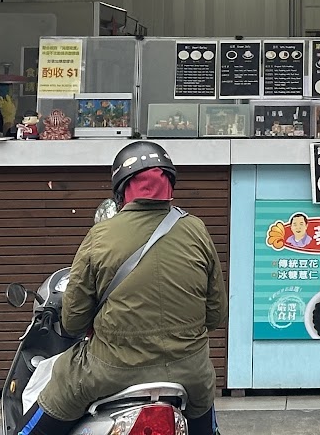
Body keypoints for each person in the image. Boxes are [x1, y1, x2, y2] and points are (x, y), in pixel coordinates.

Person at [19, 142, 227, 435]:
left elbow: (73, 321)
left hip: (109, 370)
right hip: (190, 373)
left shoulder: (100, 235)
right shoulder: (196, 229)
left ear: (122, 190)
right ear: (170, 184)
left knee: (38, 420)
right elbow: (216, 316)